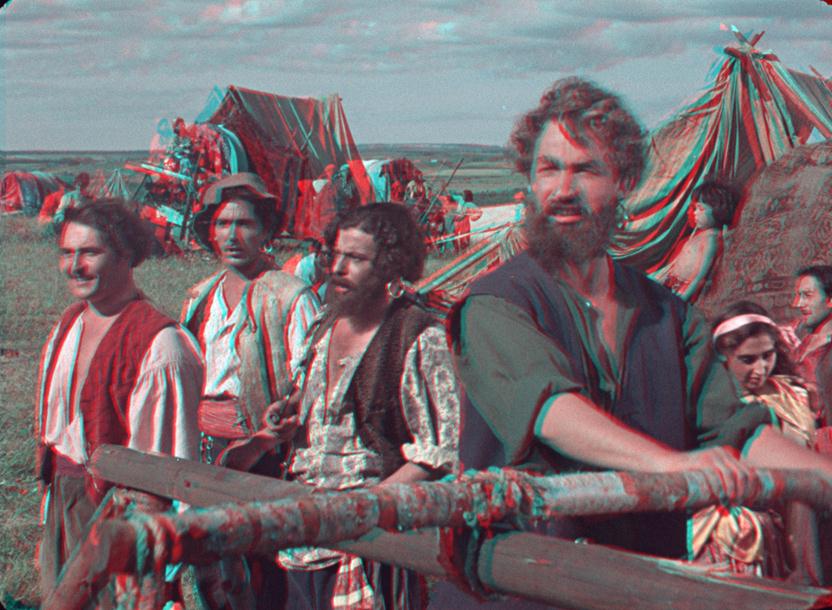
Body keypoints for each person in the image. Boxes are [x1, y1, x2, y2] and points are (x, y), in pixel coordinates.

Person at [433, 77, 832, 606]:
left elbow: (736, 430)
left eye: (585, 170)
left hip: (636, 588)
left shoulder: (669, 315)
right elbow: (549, 409)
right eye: (549, 168)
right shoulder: (496, 303)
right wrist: (670, 465)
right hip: (521, 589)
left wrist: (824, 475)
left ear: (623, 182)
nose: (563, 189)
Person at [226, 203, 460, 609]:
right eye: (334, 255)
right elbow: (317, 411)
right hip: (300, 542)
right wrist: (288, 413)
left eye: (355, 258)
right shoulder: (323, 325)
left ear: (390, 265)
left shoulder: (418, 336)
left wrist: (365, 507)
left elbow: (441, 451)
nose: (337, 268)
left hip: (370, 548)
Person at [35, 200, 203, 597]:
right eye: (67, 252)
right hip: (65, 502)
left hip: (121, 521)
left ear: (126, 254)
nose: (74, 266)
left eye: (90, 252)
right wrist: (50, 525)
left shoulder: (161, 345)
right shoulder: (69, 324)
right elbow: (56, 440)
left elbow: (169, 468)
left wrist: (156, 565)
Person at [181, 172, 320, 608]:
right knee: (212, 559)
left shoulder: (290, 295)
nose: (232, 235)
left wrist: (270, 432)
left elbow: (311, 381)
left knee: (263, 562)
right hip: (206, 445)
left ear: (265, 231)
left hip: (268, 452)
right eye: (222, 224)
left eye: (244, 224)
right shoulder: (201, 296)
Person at [691, 301, 820, 582]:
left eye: (767, 356)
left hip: (796, 515)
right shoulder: (711, 404)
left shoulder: (792, 395)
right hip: (736, 520)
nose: (760, 369)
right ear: (722, 357)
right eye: (747, 360)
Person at [651, 179, 740, 301]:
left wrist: (681, 300)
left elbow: (699, 277)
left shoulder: (711, 240)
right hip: (671, 285)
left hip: (682, 292)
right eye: (694, 208)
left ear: (718, 210)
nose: (695, 213)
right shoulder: (698, 234)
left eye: (700, 208)